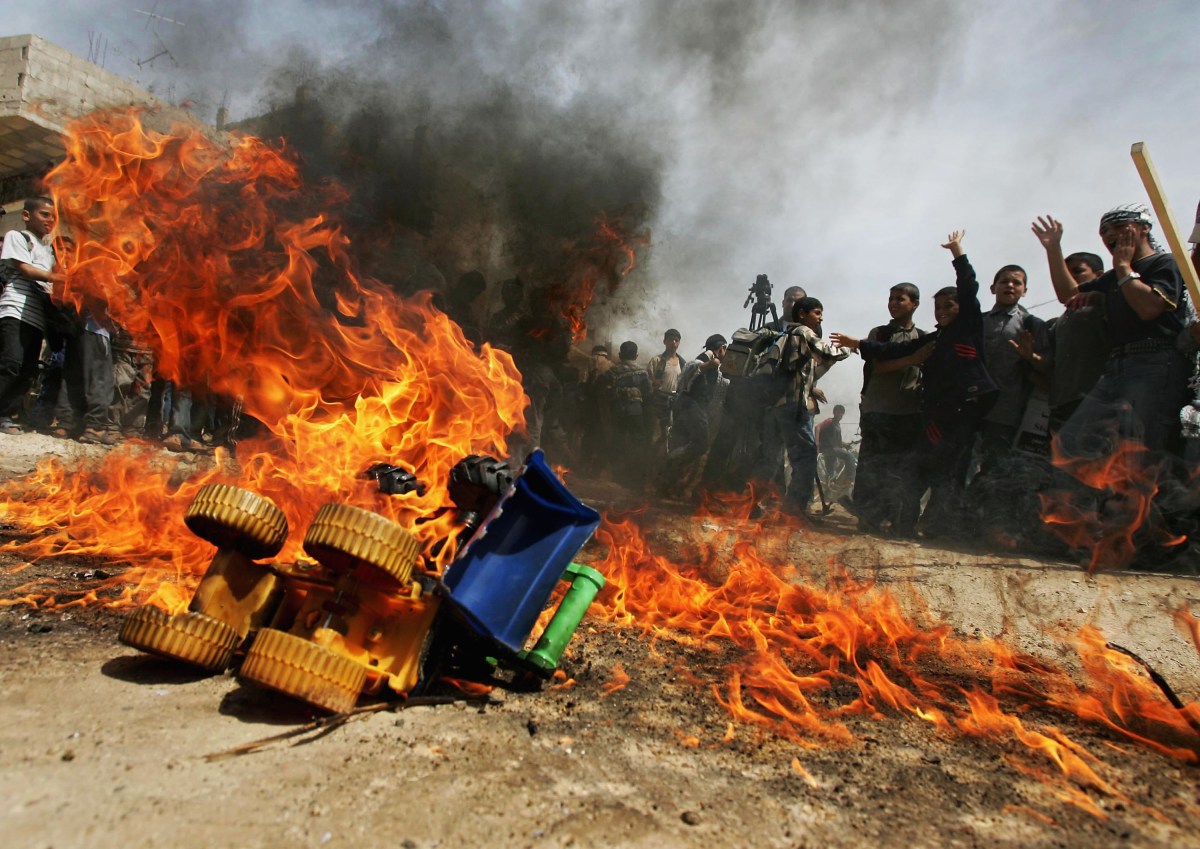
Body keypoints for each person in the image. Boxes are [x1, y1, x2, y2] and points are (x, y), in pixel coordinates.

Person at [833, 231, 999, 538]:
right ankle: (905, 525)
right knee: (915, 470)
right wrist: (859, 343)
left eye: (949, 306)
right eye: (939, 307)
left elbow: (969, 288)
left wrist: (958, 253)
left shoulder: (968, 328)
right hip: (937, 415)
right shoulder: (933, 338)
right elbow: (891, 352)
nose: (943, 312)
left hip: (963, 413)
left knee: (949, 472)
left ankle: (942, 528)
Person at [1035, 206, 1191, 458]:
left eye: (1119, 227)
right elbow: (1069, 295)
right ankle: (1096, 498)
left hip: (1156, 362)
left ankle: (1142, 497)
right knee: (1074, 443)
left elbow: (1149, 309)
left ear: (1144, 229)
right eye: (1104, 231)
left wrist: (1122, 266)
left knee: (1141, 448)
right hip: (1116, 367)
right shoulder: (1114, 276)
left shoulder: (1163, 263)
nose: (1110, 235)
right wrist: (1053, 248)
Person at [844, 283, 926, 533]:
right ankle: (868, 517)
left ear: (914, 304)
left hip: (909, 412)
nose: (893, 303)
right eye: (890, 299)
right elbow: (877, 366)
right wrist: (912, 360)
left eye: (900, 299)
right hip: (878, 410)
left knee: (902, 469)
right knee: (872, 466)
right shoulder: (879, 333)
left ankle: (900, 519)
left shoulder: (923, 337)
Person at [757, 297, 848, 517]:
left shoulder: (788, 338)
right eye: (817, 313)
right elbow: (827, 352)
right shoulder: (803, 333)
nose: (820, 317)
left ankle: (748, 501)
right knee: (806, 458)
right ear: (802, 315)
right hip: (792, 409)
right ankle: (794, 510)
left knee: (770, 460)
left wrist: (830, 361)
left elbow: (808, 375)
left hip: (775, 408)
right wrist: (848, 348)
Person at [0, 197, 65, 434]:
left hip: (38, 319)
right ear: (27, 215)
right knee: (12, 363)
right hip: (15, 310)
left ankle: (10, 414)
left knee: (28, 369)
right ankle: (4, 414)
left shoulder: (49, 250)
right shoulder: (18, 237)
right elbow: (26, 270)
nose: (50, 220)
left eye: (53, 216)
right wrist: (59, 278)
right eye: (44, 214)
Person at [658, 334, 727, 497]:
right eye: (725, 349)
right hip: (690, 404)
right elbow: (691, 368)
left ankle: (666, 485)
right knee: (701, 443)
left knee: (682, 443)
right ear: (721, 348)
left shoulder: (715, 366)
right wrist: (710, 364)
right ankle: (671, 460)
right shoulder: (707, 358)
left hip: (689, 406)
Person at [598, 341, 654, 490]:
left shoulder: (613, 371)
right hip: (636, 411)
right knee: (639, 444)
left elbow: (599, 384)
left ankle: (619, 476)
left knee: (619, 441)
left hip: (618, 411)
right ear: (636, 356)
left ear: (620, 355)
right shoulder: (642, 372)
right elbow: (648, 393)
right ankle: (637, 478)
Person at [645, 329, 684, 448]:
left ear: (679, 343)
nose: (673, 343)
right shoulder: (656, 361)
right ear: (664, 342)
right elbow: (646, 381)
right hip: (658, 400)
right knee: (656, 431)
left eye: (676, 340)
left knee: (671, 433)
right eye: (670, 340)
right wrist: (653, 383)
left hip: (675, 401)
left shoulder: (682, 363)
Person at [816, 403, 857, 484]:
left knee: (831, 475)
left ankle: (830, 488)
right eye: (838, 412)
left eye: (841, 413)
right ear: (834, 412)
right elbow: (817, 427)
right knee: (850, 456)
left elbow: (836, 440)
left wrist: (846, 444)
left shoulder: (837, 425)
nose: (840, 414)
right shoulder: (830, 421)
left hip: (832, 451)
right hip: (830, 449)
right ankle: (849, 479)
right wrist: (816, 442)